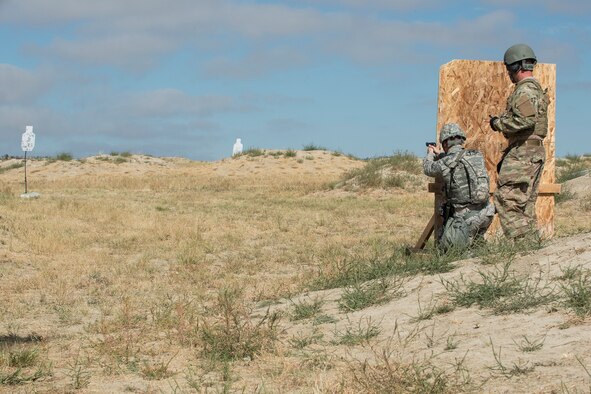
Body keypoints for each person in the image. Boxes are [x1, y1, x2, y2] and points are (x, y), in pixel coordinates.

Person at [489, 44, 549, 240]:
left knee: (506, 199)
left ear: (517, 67)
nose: (508, 74)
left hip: (523, 152)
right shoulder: (535, 90)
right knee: (524, 205)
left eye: (509, 69)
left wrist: (499, 123)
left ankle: (523, 243)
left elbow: (525, 120)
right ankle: (531, 248)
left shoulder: (524, 91)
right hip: (533, 151)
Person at [424, 123, 495, 251]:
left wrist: (430, 154)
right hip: (486, 212)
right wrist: (441, 154)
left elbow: (428, 168)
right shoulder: (476, 155)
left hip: (466, 218)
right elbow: (456, 160)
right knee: (476, 244)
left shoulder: (447, 161)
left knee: (448, 250)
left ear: (445, 143)